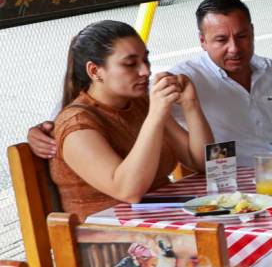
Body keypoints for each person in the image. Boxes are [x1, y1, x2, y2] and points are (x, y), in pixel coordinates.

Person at [29, 0, 272, 163]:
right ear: (202, 41)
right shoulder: (185, 79)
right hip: (241, 186)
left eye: (242, 37)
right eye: (221, 40)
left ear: (253, 32)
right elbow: (87, 106)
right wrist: (43, 129)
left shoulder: (269, 69)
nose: (235, 48)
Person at [48, 21, 214, 220]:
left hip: (164, 222)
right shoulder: (76, 124)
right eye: (130, 64)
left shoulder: (140, 103)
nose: (145, 71)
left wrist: (191, 105)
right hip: (109, 239)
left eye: (146, 60)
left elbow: (204, 164)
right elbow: (128, 191)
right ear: (94, 71)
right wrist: (155, 116)